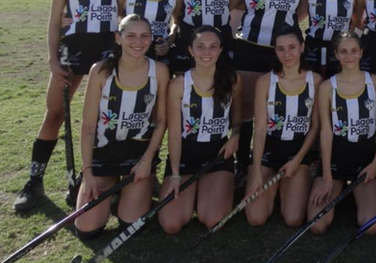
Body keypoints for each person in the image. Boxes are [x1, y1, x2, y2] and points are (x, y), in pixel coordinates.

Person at [14, 0, 124, 212]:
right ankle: (34, 181)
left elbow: (126, 17)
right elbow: (54, 23)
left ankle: (98, 178)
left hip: (106, 53)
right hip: (72, 51)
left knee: (104, 117)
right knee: (54, 114)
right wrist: (53, 62)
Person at [74, 15, 169, 239]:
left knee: (130, 227)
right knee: (87, 230)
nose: (138, 42)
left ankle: (132, 192)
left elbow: (161, 122)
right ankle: (110, 192)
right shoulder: (101, 70)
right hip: (104, 152)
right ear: (118, 38)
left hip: (137, 156)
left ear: (151, 39)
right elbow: (88, 127)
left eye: (144, 36)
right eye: (131, 36)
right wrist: (88, 174)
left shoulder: (159, 71)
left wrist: (147, 161)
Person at [231, 0, 308, 182]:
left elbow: (302, 11)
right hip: (249, 46)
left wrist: (283, 29)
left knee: (280, 108)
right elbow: (235, 3)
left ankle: (272, 159)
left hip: (282, 52)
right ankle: (242, 164)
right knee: (245, 109)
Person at [158, 26, 241, 233]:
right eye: (200, 47)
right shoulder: (178, 85)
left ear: (220, 50)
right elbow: (174, 133)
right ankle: (194, 194)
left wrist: (235, 135)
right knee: (171, 224)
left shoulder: (232, 79)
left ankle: (205, 194)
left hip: (218, 155)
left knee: (213, 220)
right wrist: (175, 174)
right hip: (186, 155)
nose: (206, 52)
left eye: (213, 47)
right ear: (191, 50)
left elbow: (238, 115)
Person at [307, 33, 376, 234]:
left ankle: (355, 192)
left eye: (353, 51)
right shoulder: (327, 87)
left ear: (361, 53)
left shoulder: (374, 81)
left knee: (370, 226)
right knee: (317, 225)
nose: (349, 56)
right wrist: (327, 176)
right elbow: (326, 132)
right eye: (343, 51)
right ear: (336, 54)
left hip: (365, 162)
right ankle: (337, 185)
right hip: (336, 160)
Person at [245, 27, 322, 227]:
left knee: (293, 219)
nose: (287, 54)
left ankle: (294, 182)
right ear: (275, 51)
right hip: (270, 149)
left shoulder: (315, 80)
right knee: (255, 218)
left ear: (302, 47)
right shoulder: (265, 81)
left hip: (299, 151)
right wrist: (256, 173)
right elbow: (259, 129)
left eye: (292, 47)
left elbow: (315, 127)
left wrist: (297, 160)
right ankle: (276, 185)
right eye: (281, 49)